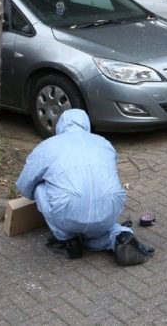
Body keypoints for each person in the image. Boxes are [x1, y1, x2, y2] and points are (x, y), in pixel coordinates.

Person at [16, 109, 154, 265]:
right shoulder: (104, 143)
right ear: (86, 124)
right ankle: (119, 238)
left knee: (39, 186)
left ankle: (67, 241)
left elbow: (24, 184)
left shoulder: (47, 146)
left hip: (69, 210)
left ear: (60, 126)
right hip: (108, 209)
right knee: (99, 232)